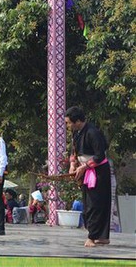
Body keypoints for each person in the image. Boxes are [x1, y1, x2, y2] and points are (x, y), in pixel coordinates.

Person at [65, 106, 111, 248]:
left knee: (96, 205)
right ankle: (100, 236)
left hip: (98, 172)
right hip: (86, 169)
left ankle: (93, 237)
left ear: (78, 121)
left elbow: (100, 155)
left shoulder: (92, 132)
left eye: (69, 123)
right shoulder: (76, 133)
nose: (68, 126)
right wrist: (73, 164)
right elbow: (75, 150)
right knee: (87, 204)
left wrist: (85, 166)